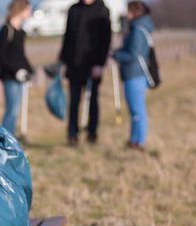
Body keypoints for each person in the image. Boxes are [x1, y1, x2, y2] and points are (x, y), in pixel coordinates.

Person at [60, 0, 112, 146]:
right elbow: (68, 36)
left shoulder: (102, 10)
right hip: (74, 65)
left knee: (93, 100)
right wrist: (64, 60)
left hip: (93, 64)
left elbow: (106, 39)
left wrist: (100, 64)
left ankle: (92, 133)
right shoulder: (74, 9)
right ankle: (72, 134)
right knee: (74, 102)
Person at [112, 1, 154, 150]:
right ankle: (134, 139)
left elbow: (134, 55)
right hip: (134, 74)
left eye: (128, 11)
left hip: (134, 74)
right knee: (135, 111)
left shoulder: (137, 30)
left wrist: (117, 55)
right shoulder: (139, 28)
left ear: (134, 12)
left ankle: (139, 141)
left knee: (137, 111)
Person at [0, 0, 34, 136]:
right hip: (9, 76)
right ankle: (7, 139)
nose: (30, 13)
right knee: (12, 110)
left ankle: (11, 137)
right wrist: (16, 71)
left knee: (15, 109)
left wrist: (28, 70)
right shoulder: (5, 30)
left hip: (19, 75)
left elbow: (21, 55)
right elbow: (2, 56)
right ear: (20, 10)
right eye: (28, 10)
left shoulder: (21, 31)